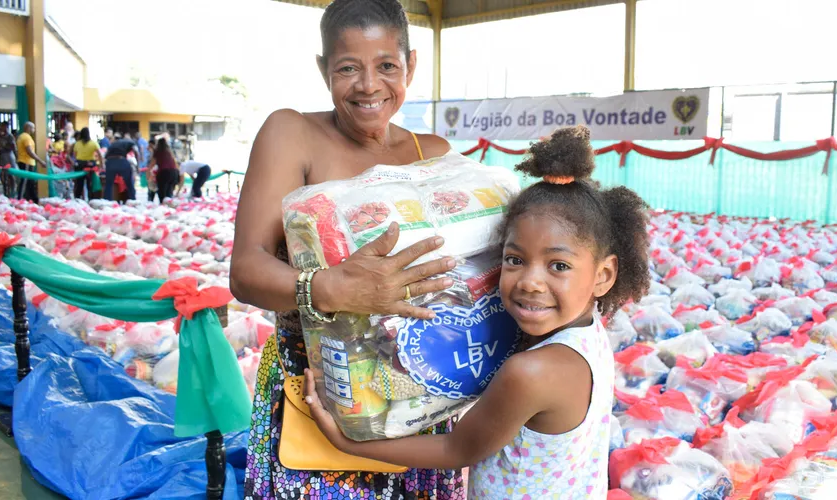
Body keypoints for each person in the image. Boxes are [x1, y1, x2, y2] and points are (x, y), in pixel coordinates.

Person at [303, 126, 650, 499]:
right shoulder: (588, 336)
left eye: (558, 266)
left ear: (603, 275)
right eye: (515, 259)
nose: (530, 282)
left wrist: (347, 444)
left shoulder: (531, 373)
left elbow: (458, 450)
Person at [229, 0, 462, 497]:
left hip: (418, 399)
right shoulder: (291, 133)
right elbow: (246, 271)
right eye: (348, 69)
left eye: (387, 67)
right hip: (319, 393)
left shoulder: (435, 154)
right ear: (323, 69)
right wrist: (331, 287)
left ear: (411, 65)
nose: (369, 86)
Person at [16, 121, 46, 203]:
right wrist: (40, 161)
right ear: (28, 128)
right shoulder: (26, 137)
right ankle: (20, 199)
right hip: (26, 162)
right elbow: (30, 152)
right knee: (25, 182)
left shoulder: (22, 136)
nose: (34, 130)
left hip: (27, 162)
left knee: (30, 183)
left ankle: (33, 199)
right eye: (33, 128)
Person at [104, 135, 139, 201]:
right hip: (121, 161)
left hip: (110, 162)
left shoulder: (114, 144)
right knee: (129, 183)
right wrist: (138, 166)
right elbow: (136, 152)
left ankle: (107, 202)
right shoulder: (131, 142)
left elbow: (105, 156)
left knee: (109, 184)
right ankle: (133, 200)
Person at [72, 128, 103, 200]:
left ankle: (78, 200)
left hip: (79, 165)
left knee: (79, 184)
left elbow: (75, 155)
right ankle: (91, 199)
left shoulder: (77, 143)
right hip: (90, 165)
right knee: (90, 184)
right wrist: (101, 165)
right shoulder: (94, 143)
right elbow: (100, 154)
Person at [145, 137, 179, 203]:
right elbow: (175, 163)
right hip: (174, 173)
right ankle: (169, 207)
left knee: (162, 193)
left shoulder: (158, 152)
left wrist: (148, 176)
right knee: (169, 193)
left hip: (164, 173)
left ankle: (163, 207)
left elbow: (152, 164)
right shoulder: (169, 151)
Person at [0, 122, 17, 197]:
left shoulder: (10, 136)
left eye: (2, 126)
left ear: (6, 127)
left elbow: (13, 147)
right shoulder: (0, 135)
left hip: (9, 155)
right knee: (3, 174)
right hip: (2, 155)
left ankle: (13, 190)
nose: (0, 127)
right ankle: (5, 191)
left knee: (11, 174)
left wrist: (4, 145)